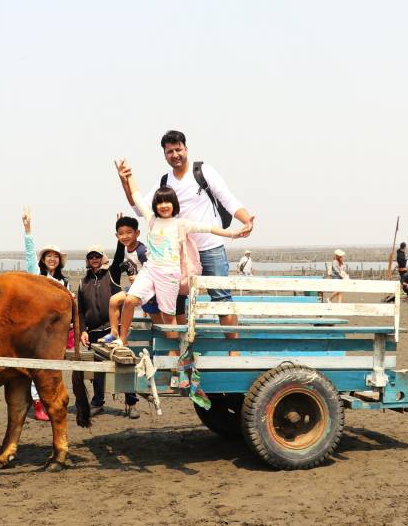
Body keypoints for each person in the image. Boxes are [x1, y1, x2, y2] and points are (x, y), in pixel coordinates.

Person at [122, 130, 255, 337]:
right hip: (180, 254)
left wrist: (246, 219)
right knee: (176, 302)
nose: (175, 154)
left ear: (186, 149)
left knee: (221, 298)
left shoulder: (203, 171)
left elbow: (227, 198)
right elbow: (139, 208)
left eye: (178, 149)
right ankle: (184, 351)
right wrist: (125, 180)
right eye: (169, 151)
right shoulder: (165, 180)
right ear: (164, 155)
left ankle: (233, 349)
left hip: (210, 247)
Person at [77, 245, 140, 419]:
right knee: (98, 370)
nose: (94, 259)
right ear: (88, 260)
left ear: (103, 257)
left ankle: (131, 404)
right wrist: (83, 331)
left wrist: (120, 242)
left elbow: (119, 257)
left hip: (115, 330)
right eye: (91, 257)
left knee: (125, 365)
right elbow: (80, 311)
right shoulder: (83, 282)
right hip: (95, 331)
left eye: (97, 256)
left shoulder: (111, 274)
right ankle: (98, 403)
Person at [22, 207, 70, 421]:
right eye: (49, 256)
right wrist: (27, 228)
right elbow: (29, 253)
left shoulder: (64, 282)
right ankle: (38, 403)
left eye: (55, 257)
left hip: (56, 333)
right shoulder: (36, 275)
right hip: (39, 330)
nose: (52, 259)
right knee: (37, 366)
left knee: (54, 368)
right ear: (43, 260)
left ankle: (50, 400)